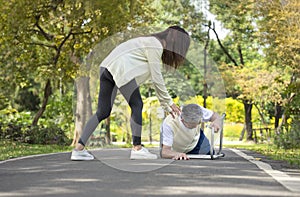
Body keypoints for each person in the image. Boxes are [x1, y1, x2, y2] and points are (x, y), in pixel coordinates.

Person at [71, 26, 190, 160]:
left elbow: (151, 76)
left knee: (103, 111)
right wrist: (168, 103)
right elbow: (157, 78)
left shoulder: (149, 42)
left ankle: (78, 149)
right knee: (137, 104)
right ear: (177, 43)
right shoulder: (155, 45)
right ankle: (137, 148)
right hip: (120, 68)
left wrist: (166, 104)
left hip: (106, 68)